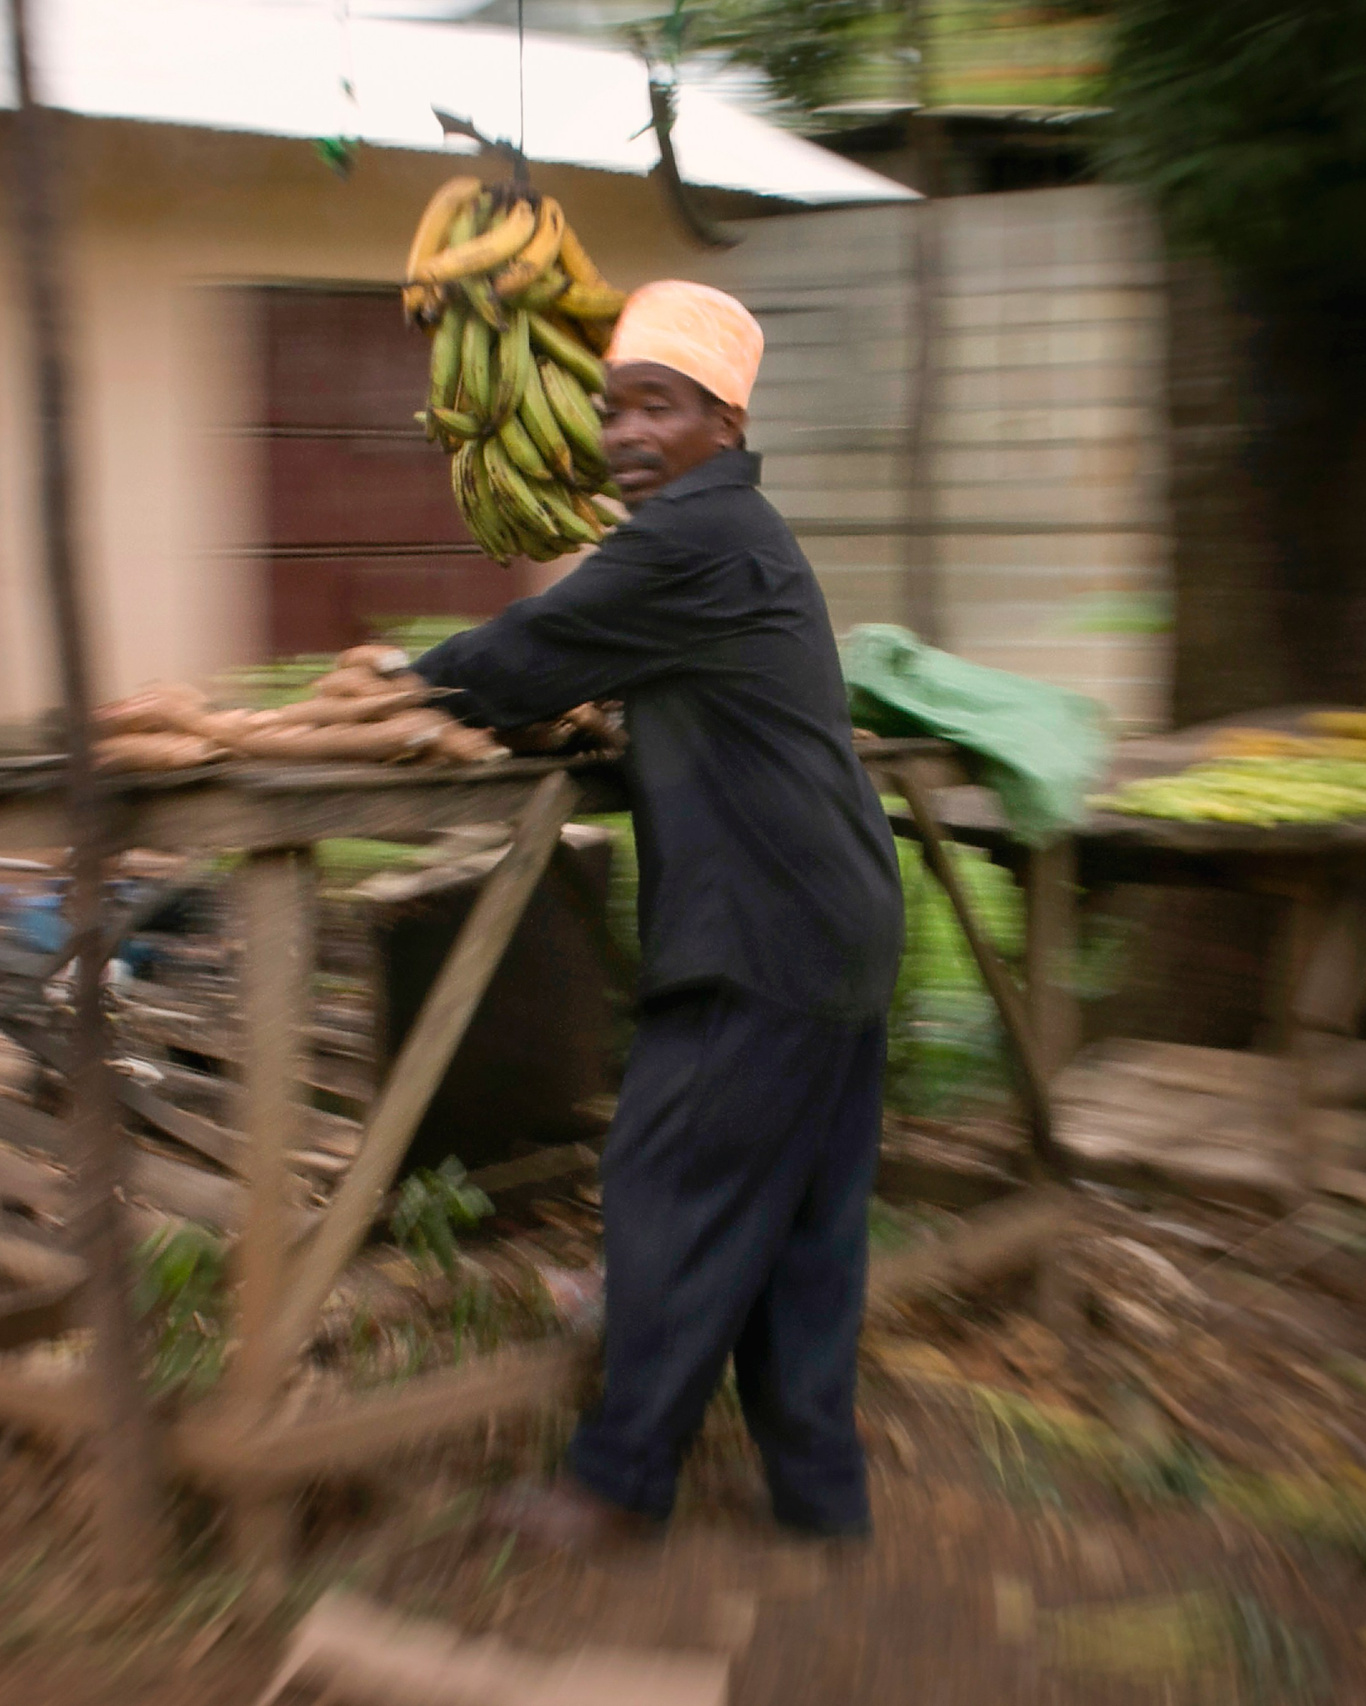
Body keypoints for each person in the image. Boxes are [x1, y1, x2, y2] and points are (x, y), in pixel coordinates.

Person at [407, 280, 905, 1550]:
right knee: (802, 1225)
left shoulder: (694, 537)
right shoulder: (738, 537)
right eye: (614, 405)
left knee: (670, 1190)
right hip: (833, 918)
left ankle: (618, 1485)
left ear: (724, 420)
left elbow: (535, 647)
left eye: (658, 406)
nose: (624, 432)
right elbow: (637, 675)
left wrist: (403, 682)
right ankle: (817, 1491)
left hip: (763, 934)